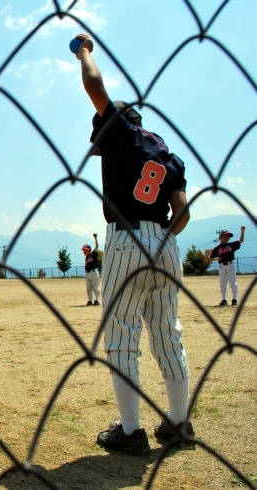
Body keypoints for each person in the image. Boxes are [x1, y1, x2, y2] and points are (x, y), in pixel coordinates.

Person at [74, 33, 194, 454]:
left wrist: (82, 49)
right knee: (168, 334)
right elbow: (183, 214)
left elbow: (93, 85)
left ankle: (130, 430)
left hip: (126, 241)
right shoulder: (167, 154)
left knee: (122, 335)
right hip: (165, 241)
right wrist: (158, 237)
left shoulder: (122, 133)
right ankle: (178, 425)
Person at [208, 227, 246, 306]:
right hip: (221, 266)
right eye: (225, 236)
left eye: (228, 236)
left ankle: (234, 299)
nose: (227, 238)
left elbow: (241, 241)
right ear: (221, 237)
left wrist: (242, 231)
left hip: (230, 265)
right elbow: (211, 258)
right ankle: (224, 299)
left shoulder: (231, 245)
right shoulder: (217, 248)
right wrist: (216, 258)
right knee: (222, 283)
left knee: (233, 283)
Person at [82, 233, 100, 306]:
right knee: (88, 288)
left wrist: (95, 238)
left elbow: (96, 247)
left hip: (94, 273)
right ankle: (90, 300)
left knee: (95, 287)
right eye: (83, 250)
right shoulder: (86, 257)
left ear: (89, 250)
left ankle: (97, 300)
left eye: (86, 250)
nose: (84, 251)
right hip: (88, 273)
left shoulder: (93, 255)